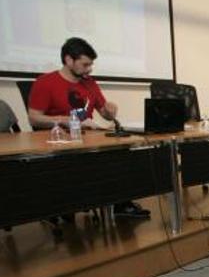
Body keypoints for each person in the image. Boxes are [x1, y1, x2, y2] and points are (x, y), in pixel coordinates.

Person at [27, 37, 149, 219]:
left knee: (124, 152)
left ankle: (120, 204)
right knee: (104, 162)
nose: (89, 69)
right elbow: (34, 118)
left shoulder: (89, 83)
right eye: (85, 65)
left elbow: (104, 113)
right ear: (69, 60)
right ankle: (99, 203)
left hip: (90, 139)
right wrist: (67, 120)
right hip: (63, 143)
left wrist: (110, 110)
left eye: (91, 65)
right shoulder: (45, 82)